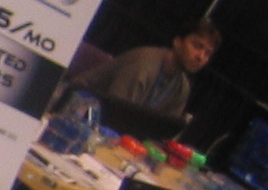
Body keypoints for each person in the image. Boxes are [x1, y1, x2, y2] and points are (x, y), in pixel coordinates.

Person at [77, 20, 221, 120]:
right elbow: (112, 113)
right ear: (177, 42)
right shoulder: (143, 64)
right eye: (197, 46)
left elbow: (161, 131)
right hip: (77, 110)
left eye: (208, 53)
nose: (200, 57)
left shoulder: (182, 87)